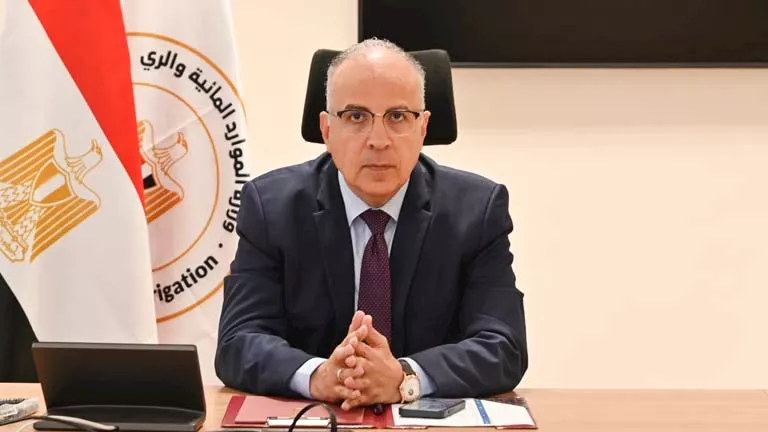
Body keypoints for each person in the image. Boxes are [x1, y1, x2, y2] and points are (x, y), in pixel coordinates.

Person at [215, 38, 527, 410]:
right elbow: (238, 341)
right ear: (326, 129)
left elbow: (502, 346)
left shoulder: (476, 211)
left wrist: (404, 378)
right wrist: (318, 376)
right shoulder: (272, 208)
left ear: (423, 128)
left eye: (398, 116)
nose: (378, 140)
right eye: (356, 117)